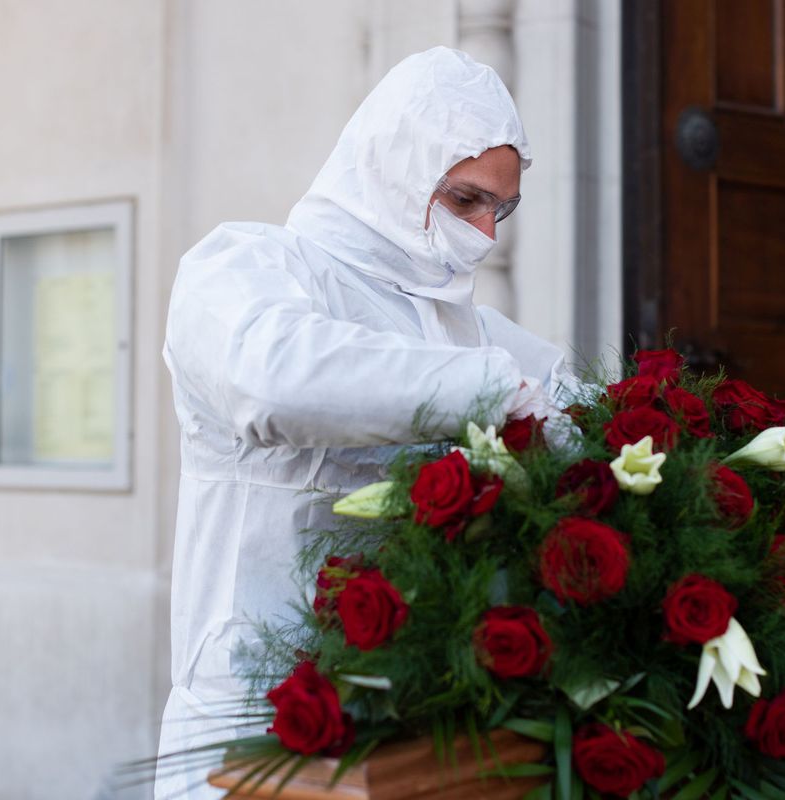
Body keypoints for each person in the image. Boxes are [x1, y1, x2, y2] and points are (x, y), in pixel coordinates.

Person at [155, 47, 570, 799]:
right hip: (253, 719)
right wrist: (484, 390)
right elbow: (271, 379)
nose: (488, 234)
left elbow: (589, 409)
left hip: (409, 730)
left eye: (501, 210)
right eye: (467, 200)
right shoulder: (247, 267)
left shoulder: (471, 330)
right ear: (396, 168)